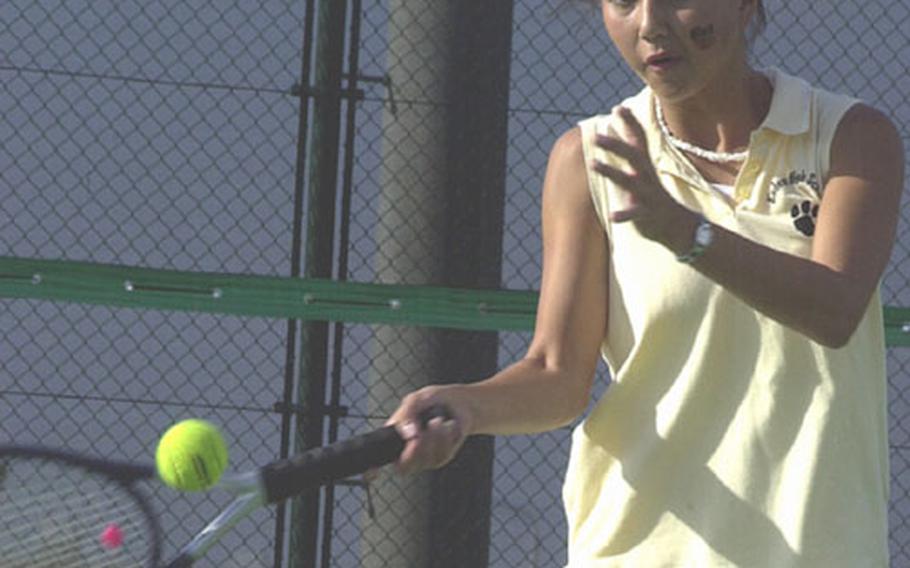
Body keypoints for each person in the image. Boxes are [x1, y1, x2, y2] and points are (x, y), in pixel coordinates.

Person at [385, 0, 904, 565]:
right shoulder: (586, 160)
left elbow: (834, 308)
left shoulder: (852, 138)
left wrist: (687, 233)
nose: (650, 23)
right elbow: (557, 375)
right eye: (624, 3)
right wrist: (465, 406)